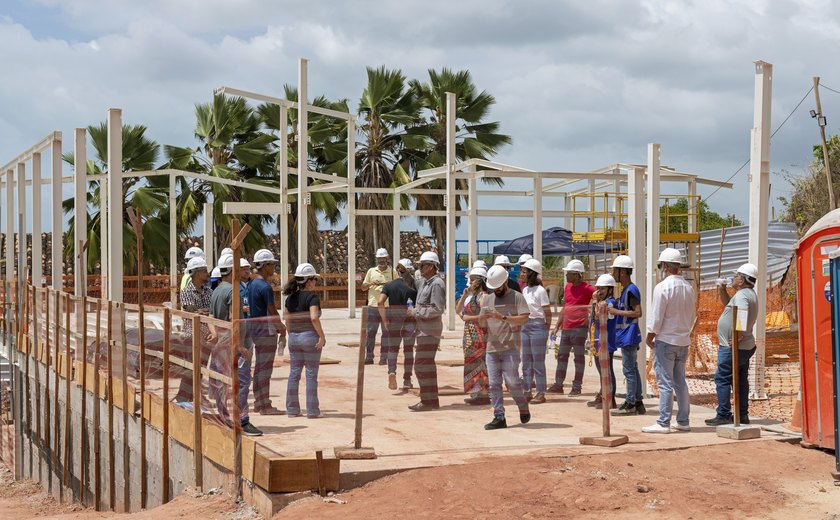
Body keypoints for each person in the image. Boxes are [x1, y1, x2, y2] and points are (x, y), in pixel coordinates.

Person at [642, 248, 696, 434]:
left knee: (665, 382)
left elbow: (657, 316)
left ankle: (663, 422)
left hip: (666, 340)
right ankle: (683, 420)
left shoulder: (662, 287)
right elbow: (691, 316)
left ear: (664, 265)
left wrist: (650, 335)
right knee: (680, 381)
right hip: (683, 340)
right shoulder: (688, 288)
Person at [208, 254, 262, 436]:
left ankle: (225, 417)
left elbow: (211, 317)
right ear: (232, 270)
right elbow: (234, 320)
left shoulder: (216, 290)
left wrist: (215, 333)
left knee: (224, 383)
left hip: (222, 343)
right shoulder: (233, 291)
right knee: (242, 382)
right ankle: (242, 420)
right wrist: (238, 345)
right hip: (233, 345)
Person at [706, 263, 759, 426]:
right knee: (741, 380)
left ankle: (723, 414)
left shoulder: (743, 295)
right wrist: (722, 289)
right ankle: (742, 414)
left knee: (722, 378)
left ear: (742, 280)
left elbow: (741, 312)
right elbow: (729, 304)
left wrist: (738, 335)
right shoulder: (746, 294)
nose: (733, 278)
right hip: (744, 346)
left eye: (736, 276)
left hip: (733, 347)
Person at [480, 265, 532, 430]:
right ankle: (499, 416)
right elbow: (482, 323)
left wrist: (502, 317)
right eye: (493, 288)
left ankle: (522, 405)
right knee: (494, 384)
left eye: (498, 287)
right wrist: (483, 317)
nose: (496, 290)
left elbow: (524, 318)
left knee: (512, 382)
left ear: (505, 282)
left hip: (510, 348)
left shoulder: (517, 297)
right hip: (491, 348)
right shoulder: (488, 299)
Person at [283, 263, 327, 418]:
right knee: (310, 375)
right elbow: (314, 317)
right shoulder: (312, 297)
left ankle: (292, 409)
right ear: (309, 281)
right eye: (314, 279)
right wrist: (322, 336)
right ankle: (312, 410)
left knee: (294, 374)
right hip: (310, 337)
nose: (315, 282)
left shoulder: (290, 298)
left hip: (294, 337)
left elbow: (286, 319)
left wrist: (291, 334)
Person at [246, 249, 287, 415]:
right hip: (266, 332)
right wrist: (281, 327)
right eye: (271, 264)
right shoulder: (265, 287)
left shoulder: (252, 284)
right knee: (265, 370)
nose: (273, 268)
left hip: (255, 330)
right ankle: (265, 405)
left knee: (259, 368)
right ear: (264, 266)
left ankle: (259, 402)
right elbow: (271, 310)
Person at [549, 259, 595, 396]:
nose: (566, 276)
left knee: (579, 358)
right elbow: (565, 307)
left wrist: (588, 318)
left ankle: (577, 387)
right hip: (566, 328)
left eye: (568, 273)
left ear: (576, 275)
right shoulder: (567, 288)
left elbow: (596, 299)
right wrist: (558, 325)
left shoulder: (588, 289)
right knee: (562, 356)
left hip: (579, 328)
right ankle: (558, 384)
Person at [407, 251, 445, 412]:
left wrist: (415, 312)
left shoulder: (436, 284)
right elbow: (413, 283)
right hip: (424, 331)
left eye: (422, 265)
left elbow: (437, 309)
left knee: (421, 366)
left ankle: (427, 401)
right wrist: (403, 271)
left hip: (429, 331)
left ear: (430, 266)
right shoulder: (426, 282)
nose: (420, 268)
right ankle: (431, 400)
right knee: (427, 366)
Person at [609, 255, 646, 416]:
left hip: (629, 335)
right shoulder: (627, 290)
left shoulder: (631, 290)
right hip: (626, 335)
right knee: (633, 369)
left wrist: (616, 311)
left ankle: (631, 402)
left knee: (629, 370)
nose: (613, 273)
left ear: (622, 272)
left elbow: (638, 312)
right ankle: (637, 402)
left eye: (615, 270)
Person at [175, 256, 213, 403]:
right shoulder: (186, 292)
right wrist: (204, 312)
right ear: (197, 273)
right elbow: (192, 311)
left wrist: (203, 312)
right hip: (191, 336)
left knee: (201, 369)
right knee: (190, 368)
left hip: (207, 337)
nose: (207, 273)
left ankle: (195, 397)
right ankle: (184, 397)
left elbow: (208, 311)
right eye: (204, 271)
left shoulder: (208, 291)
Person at [378, 258, 418, 391]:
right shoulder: (414, 287)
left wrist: (385, 321)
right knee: (408, 351)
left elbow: (380, 302)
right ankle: (407, 380)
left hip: (393, 321)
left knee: (393, 349)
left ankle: (391, 372)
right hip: (409, 322)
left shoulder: (389, 285)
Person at [456, 266, 490, 405]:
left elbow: (485, 315)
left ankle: (483, 393)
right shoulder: (471, 297)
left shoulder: (484, 296)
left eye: (472, 280)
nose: (469, 283)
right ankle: (476, 392)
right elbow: (458, 310)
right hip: (470, 333)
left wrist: (468, 318)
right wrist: (464, 295)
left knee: (480, 362)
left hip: (479, 332)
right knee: (471, 362)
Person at [520, 258, 551, 404]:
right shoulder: (525, 290)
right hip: (526, 326)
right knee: (526, 360)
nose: (522, 274)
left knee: (538, 361)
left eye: (524, 271)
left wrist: (546, 328)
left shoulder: (540, 291)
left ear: (532, 273)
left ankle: (540, 392)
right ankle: (527, 391)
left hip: (538, 326)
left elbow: (547, 312)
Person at [587, 274, 618, 410]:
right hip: (597, 340)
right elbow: (591, 314)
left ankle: (610, 399)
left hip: (606, 342)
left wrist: (595, 302)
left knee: (607, 371)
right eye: (598, 288)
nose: (599, 292)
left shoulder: (610, 302)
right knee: (602, 371)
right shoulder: (600, 302)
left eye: (603, 289)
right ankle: (603, 394)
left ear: (610, 290)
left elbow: (599, 316)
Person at [362, 248, 397, 365]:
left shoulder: (393, 272)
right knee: (371, 332)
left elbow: (398, 285)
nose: (381, 261)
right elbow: (363, 287)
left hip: (387, 307)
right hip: (373, 307)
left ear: (387, 259)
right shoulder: (371, 271)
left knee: (386, 333)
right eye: (379, 259)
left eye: (383, 258)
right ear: (376, 259)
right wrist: (372, 283)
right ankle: (369, 356)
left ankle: (383, 358)